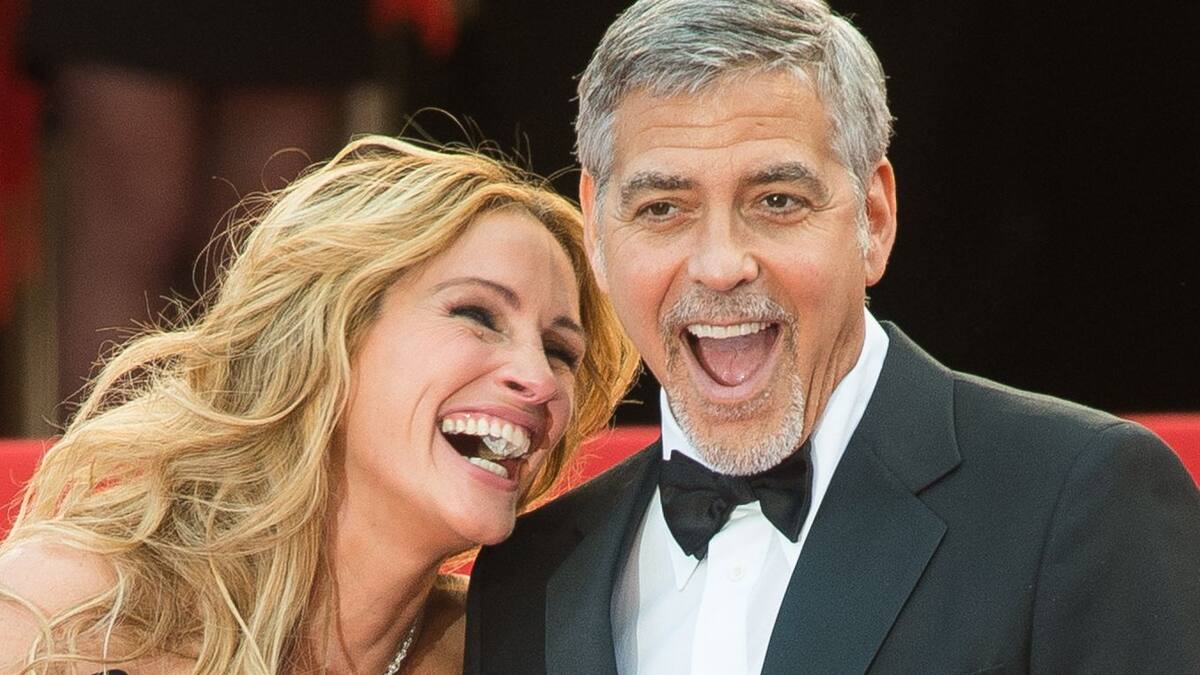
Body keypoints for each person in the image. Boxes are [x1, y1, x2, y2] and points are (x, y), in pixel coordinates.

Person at [464, 1, 1200, 673]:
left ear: (873, 219)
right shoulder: (527, 573)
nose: (720, 265)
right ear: (597, 231)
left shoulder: (1081, 499)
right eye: (663, 208)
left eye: (777, 201)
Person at [0, 135, 639, 673]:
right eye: (477, 314)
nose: (539, 378)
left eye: (560, 351)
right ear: (329, 335)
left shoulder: (523, 651)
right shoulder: (65, 616)